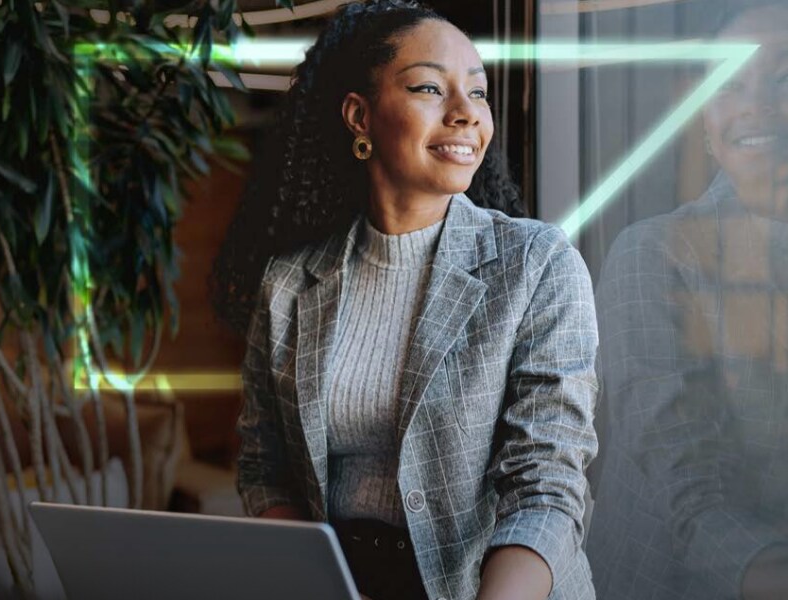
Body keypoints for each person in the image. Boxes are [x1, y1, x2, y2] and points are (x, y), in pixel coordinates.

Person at [208, 1, 599, 599]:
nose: (467, 114)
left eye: (479, 92)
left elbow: (546, 486)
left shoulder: (537, 265)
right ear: (359, 116)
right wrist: (312, 581)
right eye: (429, 88)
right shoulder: (289, 283)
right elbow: (267, 469)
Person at [586, 1, 788, 599]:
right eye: (730, 84)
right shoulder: (654, 255)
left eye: (785, 77)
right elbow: (691, 492)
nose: (756, 103)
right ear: (705, 121)